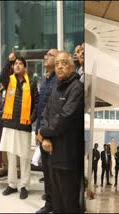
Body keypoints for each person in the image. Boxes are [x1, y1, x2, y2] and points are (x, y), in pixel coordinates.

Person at [37, 51, 84, 213]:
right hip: (51, 153)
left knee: (68, 202)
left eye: (63, 63)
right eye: (57, 64)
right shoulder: (56, 88)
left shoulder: (77, 87)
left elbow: (65, 117)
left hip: (67, 157)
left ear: (72, 66)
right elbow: (45, 114)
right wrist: (45, 138)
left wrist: (44, 132)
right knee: (56, 201)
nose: (59, 67)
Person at [0, 51, 39, 200]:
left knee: (23, 157)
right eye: (15, 64)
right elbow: (2, 75)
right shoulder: (8, 80)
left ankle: (24, 186)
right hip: (9, 123)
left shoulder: (32, 83)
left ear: (24, 67)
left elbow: (37, 103)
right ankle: (12, 184)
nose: (17, 66)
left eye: (20, 64)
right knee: (11, 156)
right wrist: (8, 61)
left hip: (24, 125)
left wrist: (32, 118)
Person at [35, 48, 58, 213]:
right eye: (46, 55)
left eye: (49, 55)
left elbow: (54, 111)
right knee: (46, 171)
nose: (45, 57)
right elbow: (41, 109)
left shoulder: (58, 81)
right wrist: (37, 132)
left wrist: (47, 134)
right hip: (42, 132)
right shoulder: (45, 80)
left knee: (52, 172)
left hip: (51, 135)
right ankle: (49, 200)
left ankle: (53, 203)